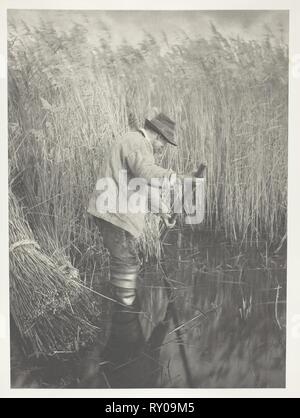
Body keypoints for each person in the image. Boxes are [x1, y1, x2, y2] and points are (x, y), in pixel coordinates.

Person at [87, 113, 179, 306]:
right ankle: (125, 312)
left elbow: (141, 184)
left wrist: (162, 211)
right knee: (127, 261)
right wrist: (171, 177)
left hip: (117, 215)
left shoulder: (136, 143)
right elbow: (146, 172)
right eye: (164, 143)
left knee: (125, 259)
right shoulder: (137, 143)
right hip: (114, 214)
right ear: (158, 136)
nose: (163, 149)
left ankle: (121, 304)